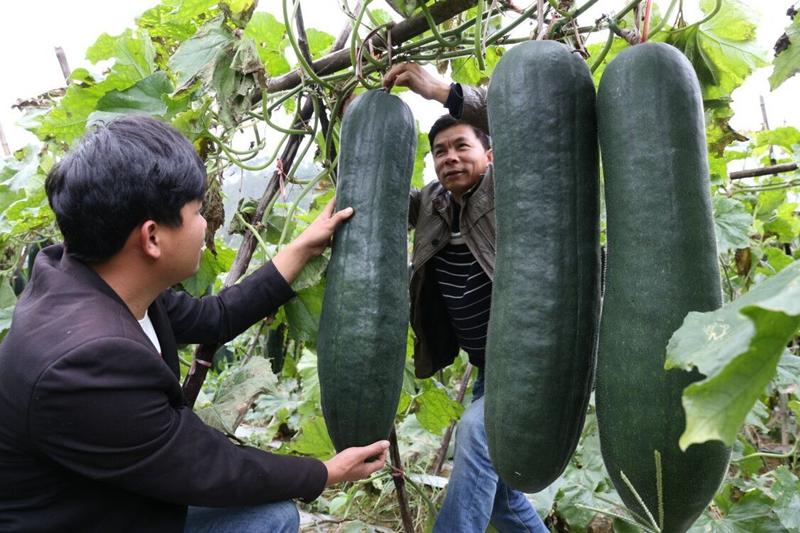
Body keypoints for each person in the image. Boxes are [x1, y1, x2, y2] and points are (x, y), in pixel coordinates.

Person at [0, 115, 389, 533]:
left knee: (272, 513)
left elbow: (215, 317)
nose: (206, 225)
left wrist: (301, 248)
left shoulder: (98, 280)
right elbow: (206, 466)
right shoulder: (88, 362)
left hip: (108, 494)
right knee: (269, 517)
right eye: (198, 211)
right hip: (83, 519)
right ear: (152, 238)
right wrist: (325, 472)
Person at [384, 63, 549, 532]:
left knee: (476, 435)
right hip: (488, 365)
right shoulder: (434, 203)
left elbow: (523, 124)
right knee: (500, 500)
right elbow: (383, 190)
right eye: (440, 151)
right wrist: (356, 118)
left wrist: (441, 92)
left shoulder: (510, 189)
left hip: (529, 358)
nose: (450, 158)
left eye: (462, 146)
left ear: (491, 154)